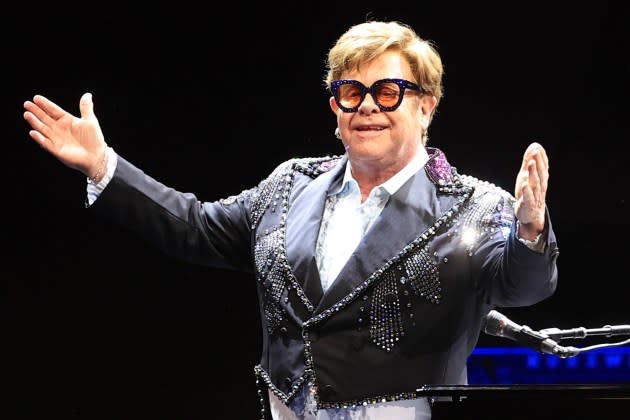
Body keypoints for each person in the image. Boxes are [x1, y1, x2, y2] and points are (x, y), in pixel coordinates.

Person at [23, 19, 558, 420]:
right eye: (351, 92)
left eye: (388, 91)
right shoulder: (289, 188)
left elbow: (520, 284)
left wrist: (530, 232)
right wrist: (104, 166)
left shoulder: (474, 205)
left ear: (427, 106)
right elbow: (195, 226)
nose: (367, 106)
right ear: (335, 109)